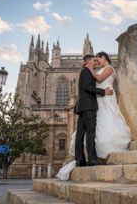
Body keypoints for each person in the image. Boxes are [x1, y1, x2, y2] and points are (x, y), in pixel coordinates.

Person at [56, 52, 131, 181]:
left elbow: (100, 79)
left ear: (105, 58)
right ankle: (91, 159)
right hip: (91, 103)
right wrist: (101, 89)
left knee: (83, 132)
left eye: (98, 59)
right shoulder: (87, 71)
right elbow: (89, 85)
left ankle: (81, 159)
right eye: (94, 60)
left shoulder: (108, 68)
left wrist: (90, 68)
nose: (96, 62)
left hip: (100, 102)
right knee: (89, 131)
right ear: (89, 61)